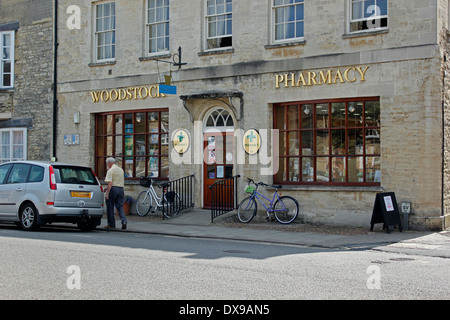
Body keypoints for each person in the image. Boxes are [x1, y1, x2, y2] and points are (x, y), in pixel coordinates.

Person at [104, 157, 127, 229]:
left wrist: (107, 193)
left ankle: (111, 224)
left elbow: (110, 183)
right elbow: (117, 181)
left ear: (110, 163)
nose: (107, 165)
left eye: (107, 163)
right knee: (120, 206)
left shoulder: (110, 170)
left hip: (113, 190)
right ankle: (124, 221)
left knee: (110, 206)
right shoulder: (121, 170)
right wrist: (107, 188)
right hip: (120, 189)